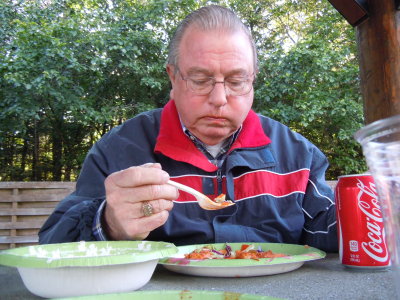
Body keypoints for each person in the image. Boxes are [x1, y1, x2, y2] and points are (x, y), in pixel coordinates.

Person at [39, 5, 338, 252]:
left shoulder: (298, 155)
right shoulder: (118, 151)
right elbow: (52, 244)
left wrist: (374, 210)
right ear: (173, 78)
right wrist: (108, 224)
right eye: (199, 80)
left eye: (236, 81)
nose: (219, 99)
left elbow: (331, 230)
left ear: (253, 79)